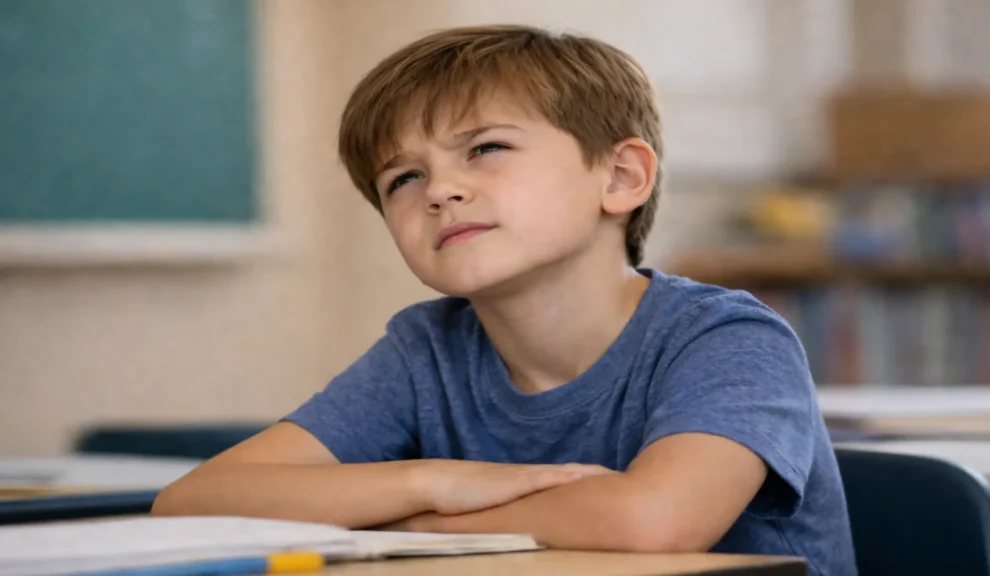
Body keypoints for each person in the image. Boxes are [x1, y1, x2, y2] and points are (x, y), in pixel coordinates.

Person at [152, 24, 855, 575]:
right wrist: (438, 481)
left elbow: (653, 523)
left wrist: (402, 524)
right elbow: (195, 502)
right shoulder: (426, 349)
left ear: (620, 177)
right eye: (402, 179)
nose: (439, 190)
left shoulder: (726, 337)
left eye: (484, 148)